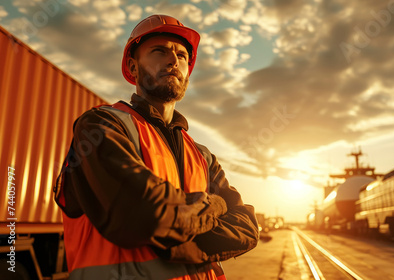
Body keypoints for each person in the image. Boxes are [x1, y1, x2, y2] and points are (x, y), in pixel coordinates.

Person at [54, 14, 259, 280]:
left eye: (182, 55)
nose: (173, 61)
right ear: (133, 65)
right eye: (159, 51)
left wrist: (176, 234)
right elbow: (143, 214)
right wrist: (217, 206)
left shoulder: (202, 155)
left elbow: (248, 228)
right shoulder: (101, 125)